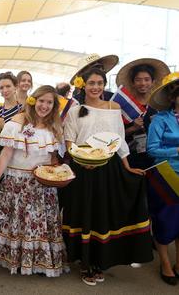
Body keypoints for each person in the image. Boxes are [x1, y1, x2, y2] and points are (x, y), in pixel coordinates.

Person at [61, 68, 153, 286]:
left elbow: (119, 140)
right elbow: (69, 141)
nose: (96, 87)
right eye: (91, 83)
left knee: (103, 214)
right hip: (83, 169)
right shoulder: (76, 110)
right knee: (86, 214)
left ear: (104, 85)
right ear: (84, 85)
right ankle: (85, 262)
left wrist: (128, 166)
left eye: (99, 83)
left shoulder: (115, 107)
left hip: (109, 169)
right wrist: (82, 159)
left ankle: (99, 260)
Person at [0, 85, 67, 277]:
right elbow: (6, 153)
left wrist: (57, 173)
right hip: (16, 182)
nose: (44, 106)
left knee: (38, 224)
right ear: (33, 101)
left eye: (49, 102)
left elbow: (53, 158)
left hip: (42, 184)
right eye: (41, 101)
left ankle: (38, 262)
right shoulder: (17, 122)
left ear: (54, 106)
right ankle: (16, 260)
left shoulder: (55, 127)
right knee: (17, 222)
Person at [146, 72, 179, 286]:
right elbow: (152, 149)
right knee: (165, 222)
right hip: (166, 176)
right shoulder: (159, 120)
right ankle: (165, 263)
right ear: (173, 97)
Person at [116, 58, 170, 170]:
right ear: (133, 82)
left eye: (147, 79)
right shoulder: (124, 105)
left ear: (153, 81)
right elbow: (116, 136)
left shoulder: (159, 105)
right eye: (138, 80)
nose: (143, 83)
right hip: (130, 157)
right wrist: (133, 128)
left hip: (156, 155)